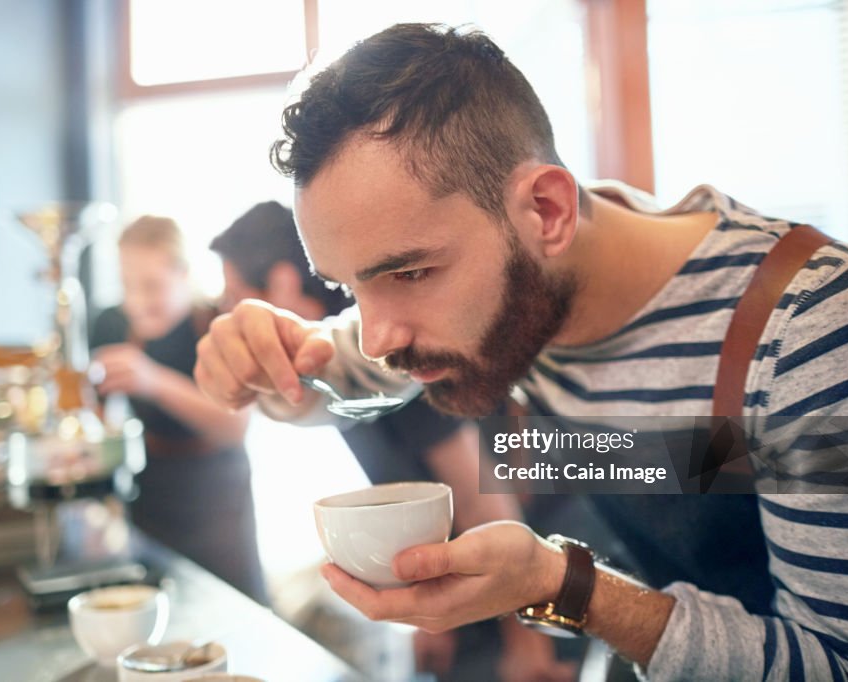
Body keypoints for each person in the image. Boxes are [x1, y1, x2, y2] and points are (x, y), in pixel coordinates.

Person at [193, 23, 848, 682]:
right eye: (350, 286)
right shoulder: (519, 296)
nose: (376, 335)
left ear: (547, 212)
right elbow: (334, 376)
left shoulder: (817, 329)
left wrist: (565, 590)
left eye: (408, 273)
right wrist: (264, 362)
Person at [210, 201, 577, 682]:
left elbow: (479, 496)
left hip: (525, 576)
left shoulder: (399, 355)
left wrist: (527, 639)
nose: (225, 309)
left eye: (234, 294)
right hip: (469, 579)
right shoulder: (342, 363)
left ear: (280, 284)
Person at [91, 215, 267, 604]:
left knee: (232, 606)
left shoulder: (216, 323)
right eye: (126, 286)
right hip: (150, 491)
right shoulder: (110, 325)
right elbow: (94, 421)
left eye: (151, 286)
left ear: (184, 273)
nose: (136, 302)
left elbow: (234, 428)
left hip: (215, 494)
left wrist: (152, 380)